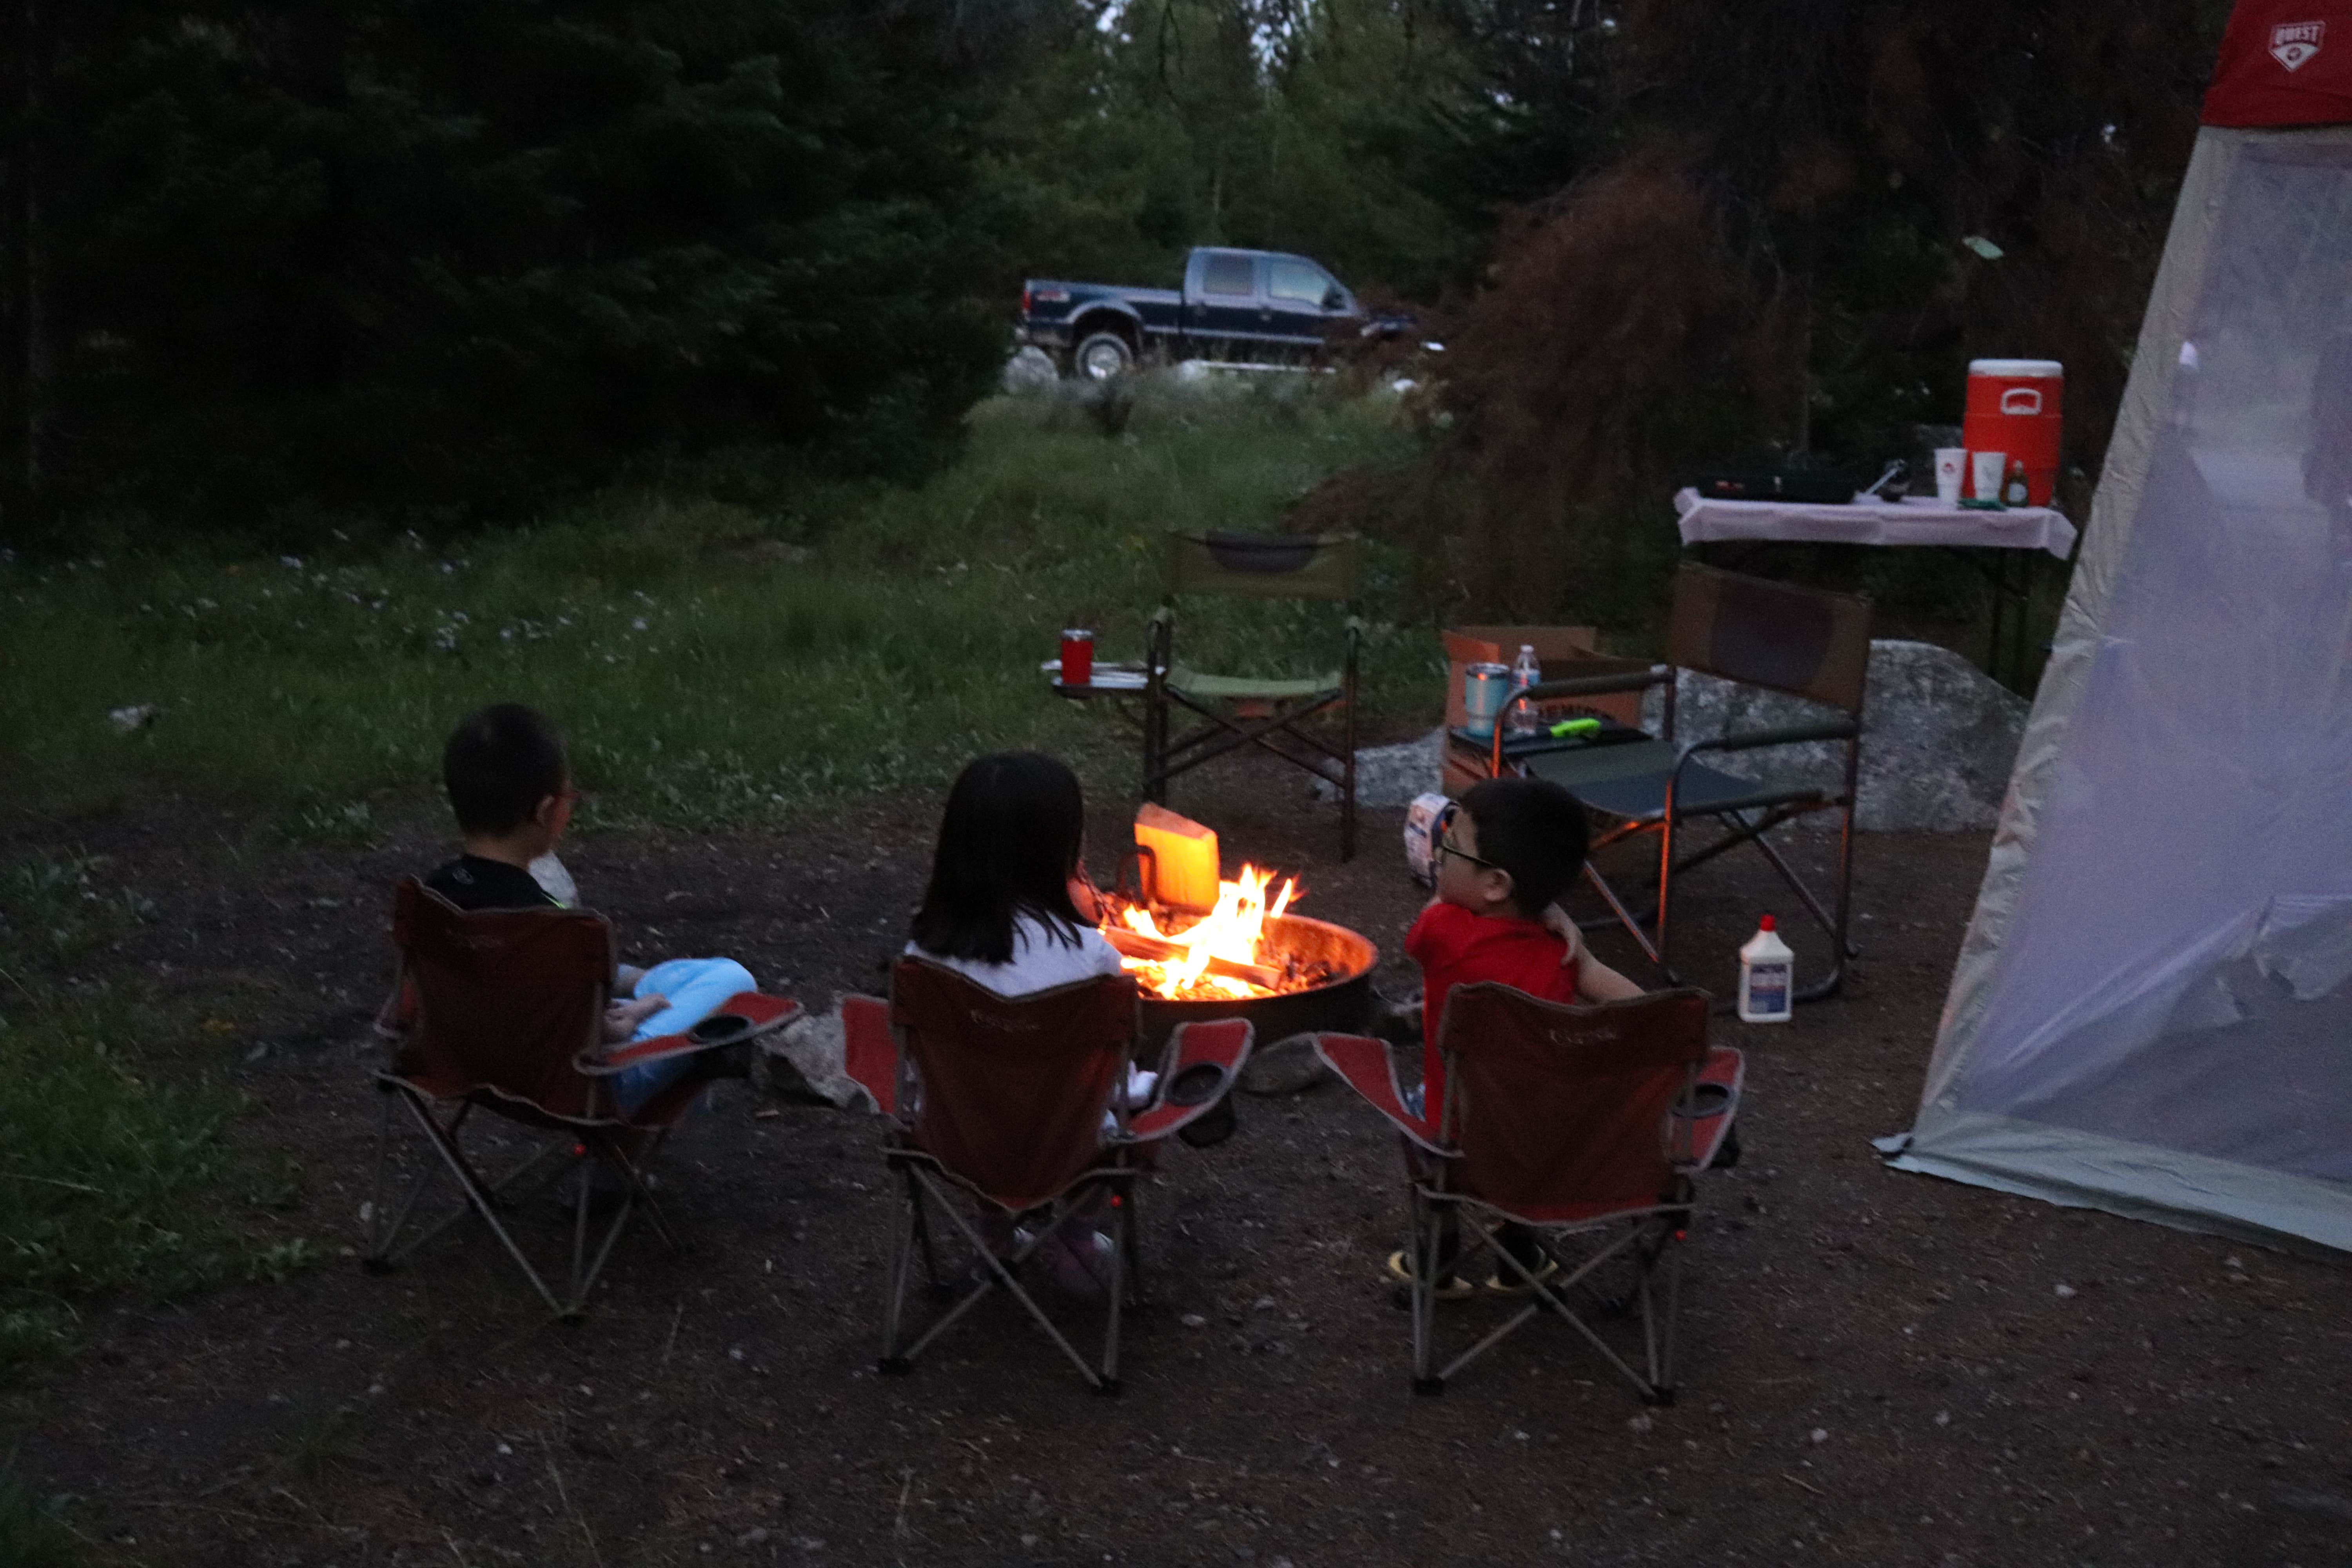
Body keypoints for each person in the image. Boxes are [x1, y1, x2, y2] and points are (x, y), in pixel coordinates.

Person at [423, 702, 755, 1115]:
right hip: (579, 1091)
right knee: (733, 979)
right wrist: (631, 1018)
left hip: (465, 1069)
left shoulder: (429, 898)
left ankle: (641, 980)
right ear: (546, 813)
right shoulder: (552, 927)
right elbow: (604, 1034)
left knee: (630, 976)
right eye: (568, 797)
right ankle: (644, 992)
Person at [1390, 775, 1643, 1297]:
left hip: (1457, 1146)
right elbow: (1622, 996)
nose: (1438, 852)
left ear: (1497, 885)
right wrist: (1550, 909)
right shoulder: (1563, 952)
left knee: (1416, 1111)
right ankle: (1517, 1258)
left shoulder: (1444, 933)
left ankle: (1438, 1259)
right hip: (1547, 1150)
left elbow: (1426, 920)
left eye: (1451, 845)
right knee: (1523, 1111)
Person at [904, 751, 1132, 1293]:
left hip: (954, 1141)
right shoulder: (1092, 958)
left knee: (978, 1087)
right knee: (1120, 1105)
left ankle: (996, 1236)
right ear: (1060, 847)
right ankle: (1076, 1240)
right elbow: (1115, 1085)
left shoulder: (922, 955)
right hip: (1067, 1146)